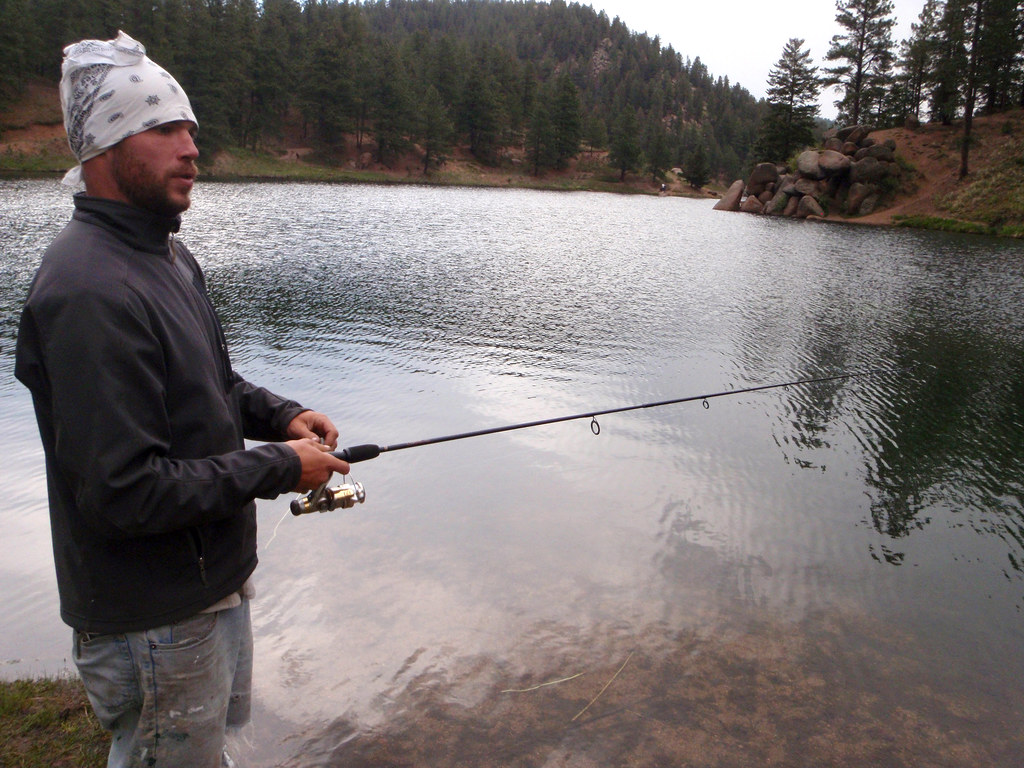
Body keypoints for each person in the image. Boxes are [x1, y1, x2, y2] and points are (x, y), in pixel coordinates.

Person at [14, 31, 349, 767]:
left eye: (190, 129)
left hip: (203, 593)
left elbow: (210, 384)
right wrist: (278, 468)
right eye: (163, 129)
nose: (191, 147)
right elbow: (124, 493)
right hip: (152, 619)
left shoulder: (163, 251)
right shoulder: (89, 291)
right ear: (104, 149)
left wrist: (279, 416)